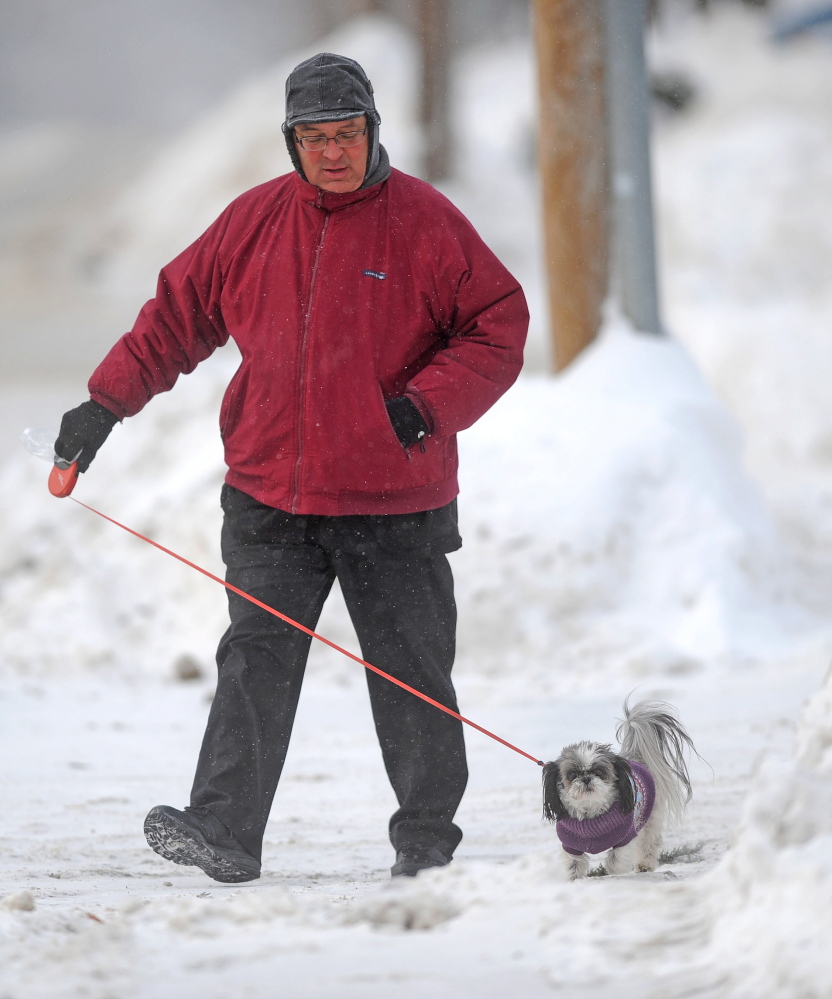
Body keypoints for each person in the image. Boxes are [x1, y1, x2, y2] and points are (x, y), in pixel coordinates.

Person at [55, 52, 529, 882]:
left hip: (395, 497)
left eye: (348, 133)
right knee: (255, 657)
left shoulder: (424, 221)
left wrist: (424, 407)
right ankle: (224, 831)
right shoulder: (253, 223)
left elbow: (498, 322)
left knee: (409, 671)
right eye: (315, 137)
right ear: (292, 142)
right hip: (271, 492)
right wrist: (103, 406)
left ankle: (424, 839)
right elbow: (172, 321)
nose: (334, 152)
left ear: (373, 131)